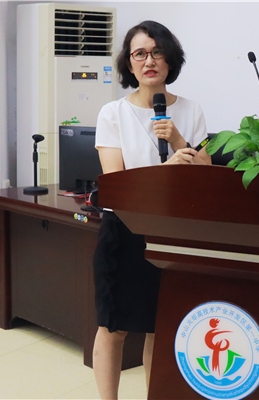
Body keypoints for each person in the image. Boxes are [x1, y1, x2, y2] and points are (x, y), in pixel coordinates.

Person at [92, 20, 211, 399]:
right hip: (124, 230)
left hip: (173, 233)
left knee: (160, 327)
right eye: (140, 53)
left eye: (157, 52)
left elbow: (207, 174)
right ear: (129, 63)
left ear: (170, 59)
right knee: (114, 328)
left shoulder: (191, 110)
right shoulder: (112, 113)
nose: (149, 61)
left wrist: (176, 138)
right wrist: (165, 171)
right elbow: (116, 183)